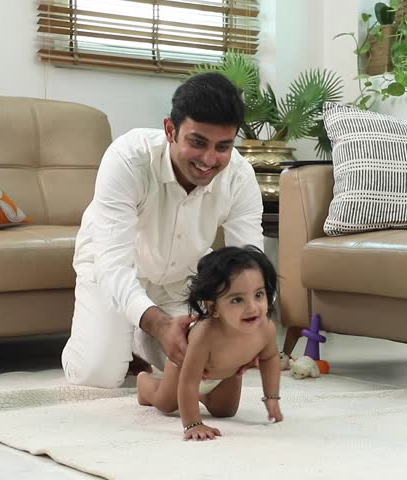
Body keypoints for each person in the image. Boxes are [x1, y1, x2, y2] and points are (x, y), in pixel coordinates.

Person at [62, 72, 265, 388]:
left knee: (209, 368)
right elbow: (113, 266)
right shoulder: (127, 159)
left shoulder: (240, 177)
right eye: (197, 142)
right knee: (98, 375)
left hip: (182, 279)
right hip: (112, 271)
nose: (209, 159)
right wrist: (159, 324)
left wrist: (251, 331)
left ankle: (137, 339)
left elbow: (249, 264)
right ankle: (124, 334)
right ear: (171, 130)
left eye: (223, 146)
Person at [137, 245, 283, 440]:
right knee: (166, 403)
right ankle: (144, 383)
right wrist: (193, 424)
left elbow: (269, 358)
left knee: (225, 410)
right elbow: (189, 381)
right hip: (186, 371)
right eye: (237, 300)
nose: (252, 307)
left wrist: (271, 397)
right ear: (213, 307)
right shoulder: (205, 335)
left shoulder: (266, 329)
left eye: (259, 295)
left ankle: (200, 396)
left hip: (227, 373)